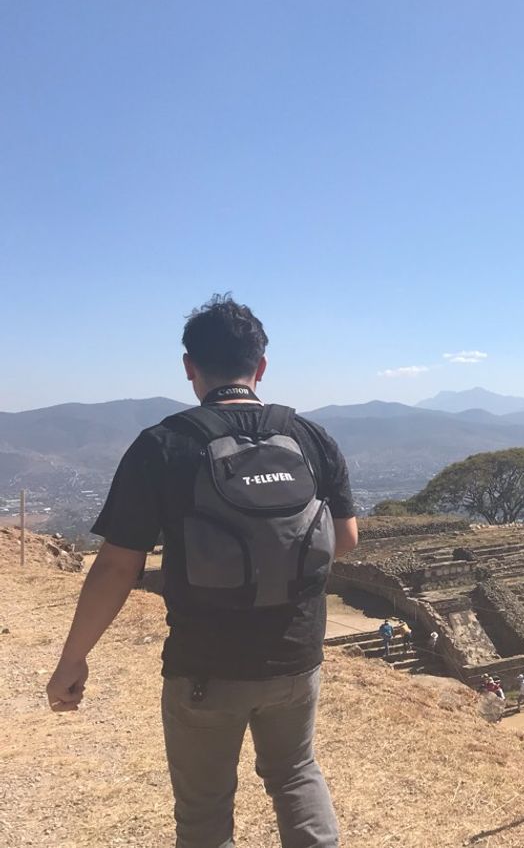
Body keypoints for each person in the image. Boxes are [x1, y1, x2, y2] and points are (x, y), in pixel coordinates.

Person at [46, 295, 358, 848]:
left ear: (190, 368)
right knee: (295, 774)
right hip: (296, 659)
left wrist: (73, 659)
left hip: (205, 669)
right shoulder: (310, 436)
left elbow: (119, 566)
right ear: (260, 367)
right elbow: (346, 541)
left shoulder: (164, 444)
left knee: (204, 811)